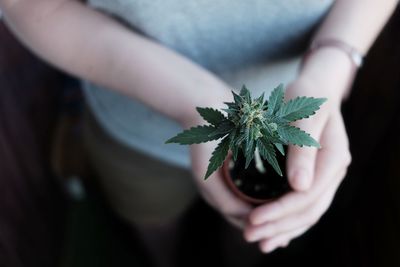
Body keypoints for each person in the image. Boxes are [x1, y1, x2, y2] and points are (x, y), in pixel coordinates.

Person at [0, 0, 398, 266]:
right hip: (134, 127)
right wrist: (193, 101)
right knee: (151, 216)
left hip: (291, 128)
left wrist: (334, 59)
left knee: (255, 233)